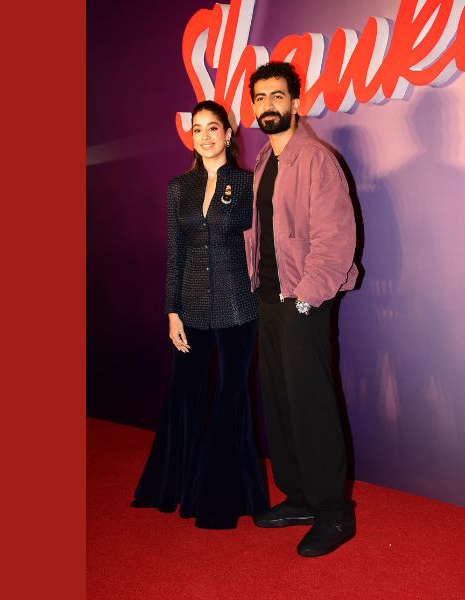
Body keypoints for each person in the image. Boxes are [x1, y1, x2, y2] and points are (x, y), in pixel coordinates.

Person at [131, 100, 268, 529]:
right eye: (197, 129)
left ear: (228, 134)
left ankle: (221, 497)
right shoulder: (179, 188)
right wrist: (171, 311)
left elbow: (262, 245)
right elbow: (175, 253)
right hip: (189, 306)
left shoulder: (247, 183)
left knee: (230, 395)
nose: (205, 136)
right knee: (184, 392)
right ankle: (172, 485)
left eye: (213, 128)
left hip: (238, 304)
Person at [244, 62, 359, 556]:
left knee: (311, 404)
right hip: (269, 299)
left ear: (295, 103)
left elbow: (335, 241)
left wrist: (306, 299)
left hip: (303, 300)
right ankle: (299, 498)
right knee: (280, 403)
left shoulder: (316, 160)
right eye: (260, 97)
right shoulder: (263, 162)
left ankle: (333, 512)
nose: (267, 105)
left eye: (277, 96)